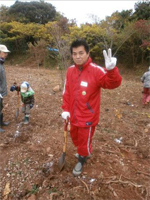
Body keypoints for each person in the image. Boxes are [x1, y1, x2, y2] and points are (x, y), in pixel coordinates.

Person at [61, 39, 122, 176]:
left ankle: (82, 158)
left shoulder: (96, 71)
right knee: (75, 137)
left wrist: (112, 70)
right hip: (73, 115)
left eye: (81, 53)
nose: (77, 56)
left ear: (88, 53)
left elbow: (113, 84)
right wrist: (65, 109)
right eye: (74, 53)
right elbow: (67, 91)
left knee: (84, 141)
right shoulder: (70, 71)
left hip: (87, 116)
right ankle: (82, 151)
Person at [0, 44, 10, 133]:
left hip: (1, 91)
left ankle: (1, 122)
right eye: (4, 52)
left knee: (1, 107)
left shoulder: (1, 62)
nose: (6, 54)